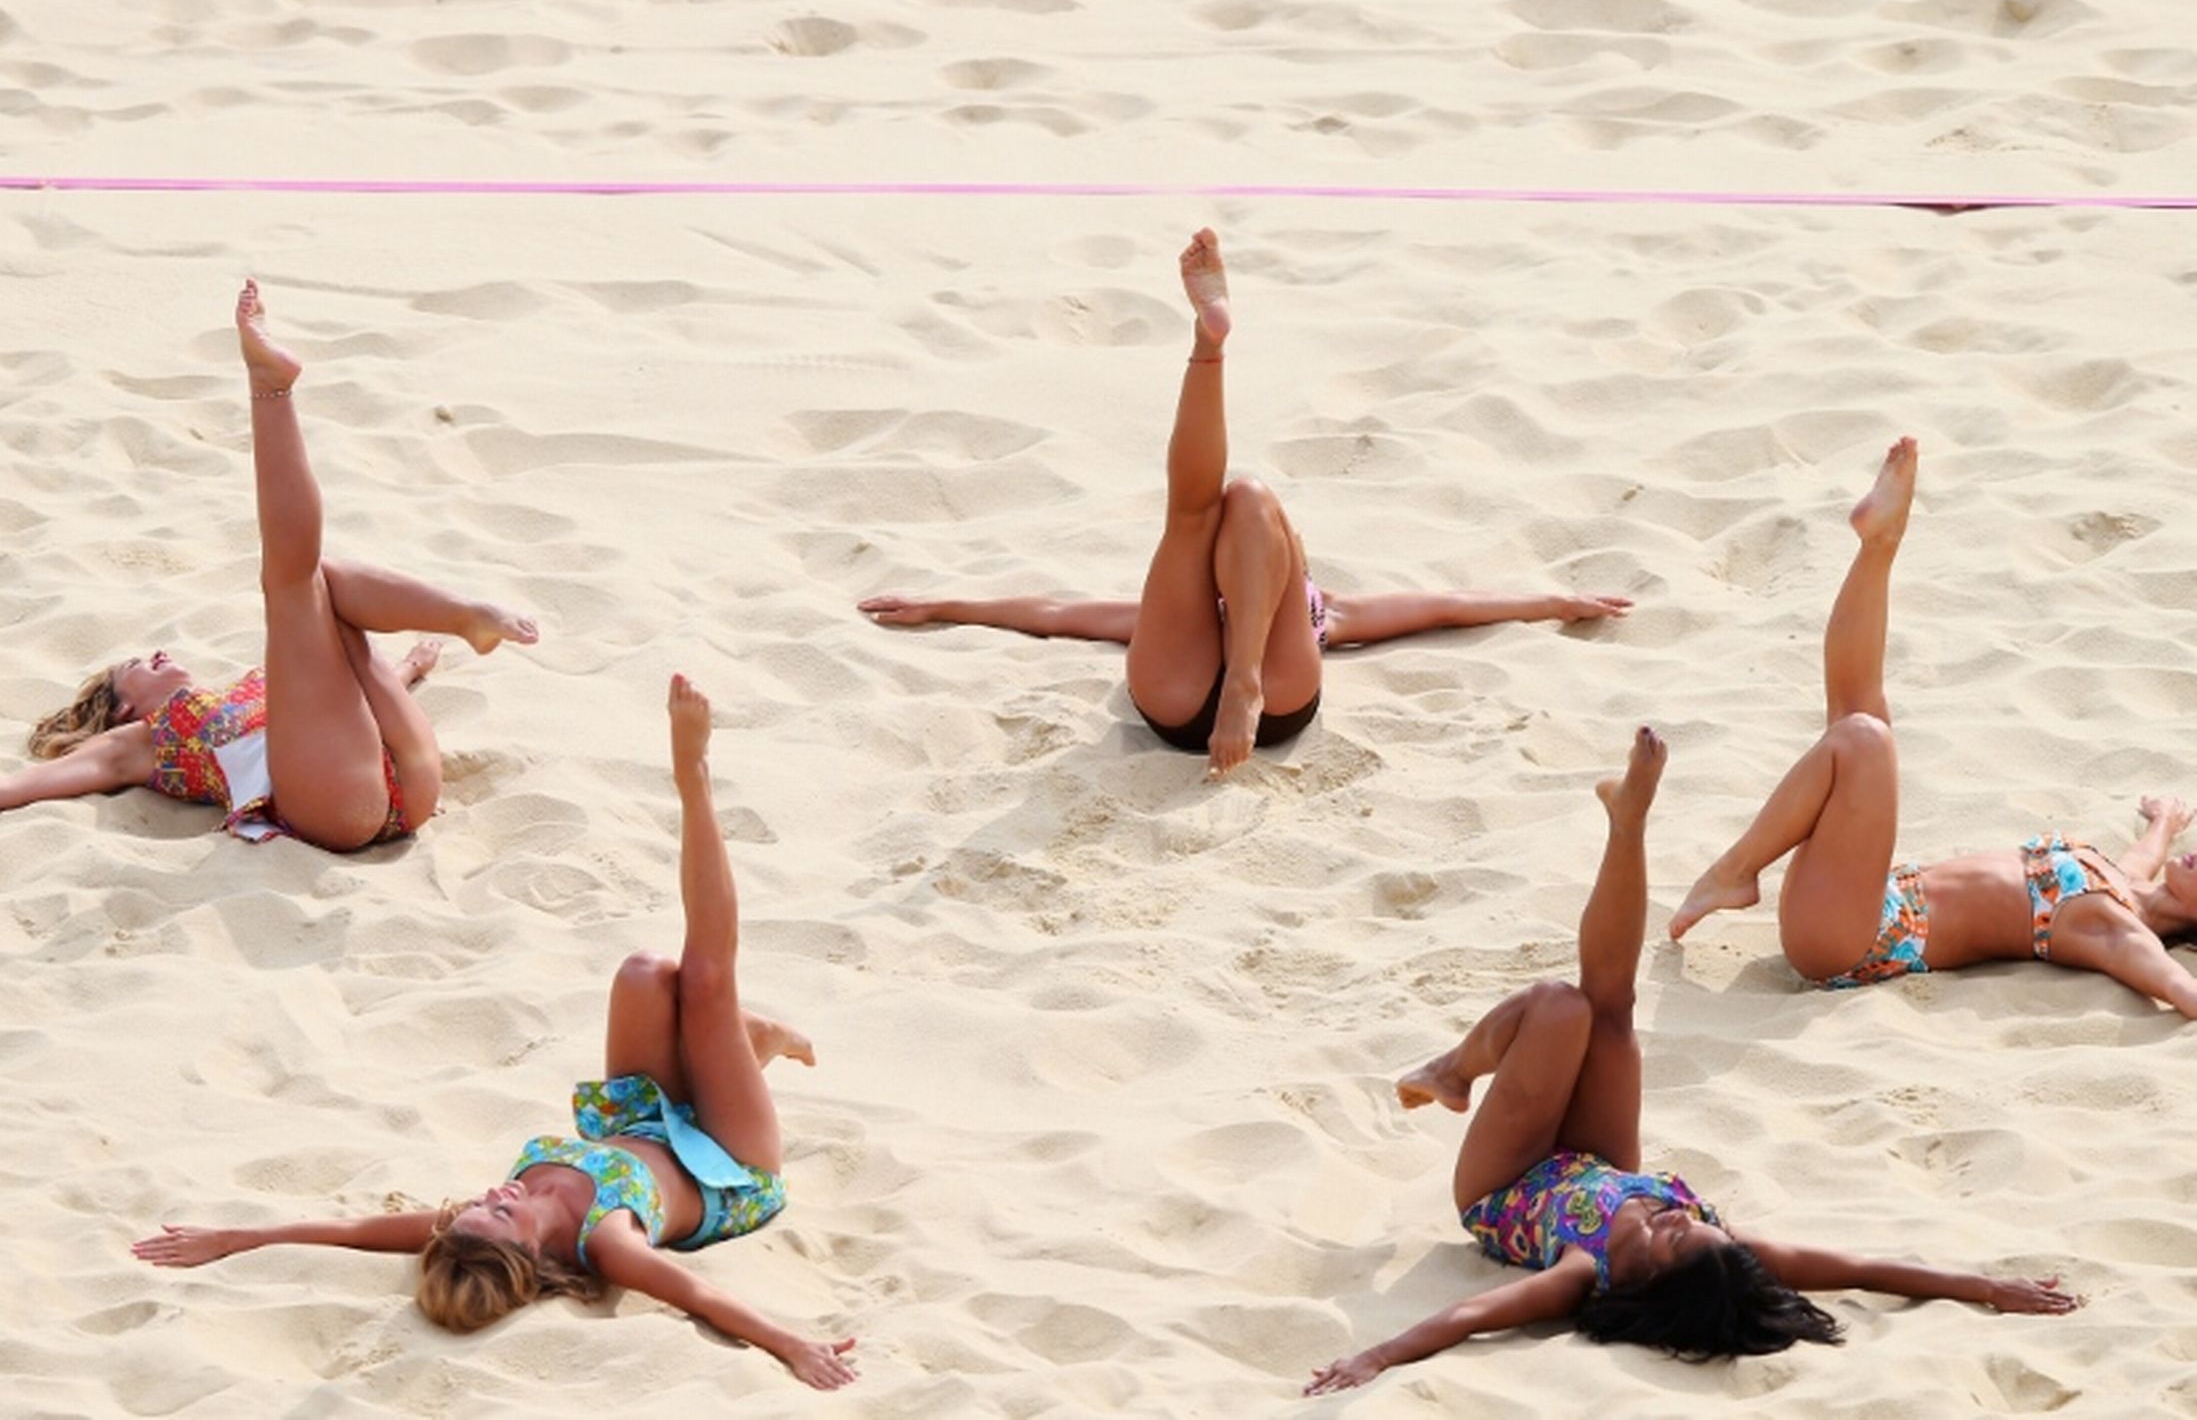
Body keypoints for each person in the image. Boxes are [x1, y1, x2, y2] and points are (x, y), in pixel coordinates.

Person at [133, 675, 859, 1391]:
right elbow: (701, 1298)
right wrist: (793, 1345)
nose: (488, 1197)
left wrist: (236, 1238)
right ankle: (693, 781)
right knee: (702, 981)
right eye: (497, 1215)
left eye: (474, 1209)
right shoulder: (606, 1241)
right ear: (530, 1258)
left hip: (645, 1120)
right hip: (728, 1163)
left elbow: (353, 1230)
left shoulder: (477, 1218)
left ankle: (740, 1043)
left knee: (643, 974)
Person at [1304, 727, 2075, 1395]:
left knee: (1556, 1004)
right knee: (1610, 1007)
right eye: (1690, 1223)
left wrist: (1375, 1356)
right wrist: (1982, 1285)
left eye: (1669, 1235)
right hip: (1600, 1159)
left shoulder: (1581, 1270)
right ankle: (1627, 821)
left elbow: (1472, 1315)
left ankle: (1456, 1069)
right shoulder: (1715, 1241)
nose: (1675, 1214)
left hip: (1506, 1182)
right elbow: (1862, 1268)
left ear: (1643, 1280)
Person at [857, 229, 1632, 777]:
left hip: (1169, 699)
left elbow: (1055, 613)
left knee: (1192, 514)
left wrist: (942, 604)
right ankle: (1247, 678)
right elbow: (1451, 606)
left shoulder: (1174, 614)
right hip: (1277, 697)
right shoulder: (1327, 615)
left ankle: (1209, 347)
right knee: (1247, 495)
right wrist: (1551, 600)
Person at [1, 281, 538, 850]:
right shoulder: (137, 741)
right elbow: (29, 784)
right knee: (292, 582)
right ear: (123, 705)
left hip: (395, 764)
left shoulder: (244, 694)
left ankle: (465, 616)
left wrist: (409, 668)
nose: (158, 653)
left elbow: (329, 699)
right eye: (136, 663)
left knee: (318, 583)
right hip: (333, 805)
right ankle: (270, 390)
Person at [1669, 439, 2197, 1013]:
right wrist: (2164, 821)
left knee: (1864, 740)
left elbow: (2177, 988)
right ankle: (1880, 544)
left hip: (1856, 941)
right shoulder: (2128, 880)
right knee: (1858, 711)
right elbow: (2146, 855)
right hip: (1862, 898)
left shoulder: (2120, 931)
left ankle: (1736, 872)